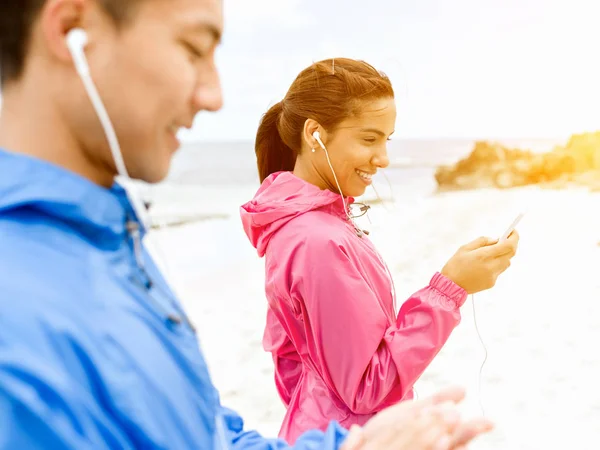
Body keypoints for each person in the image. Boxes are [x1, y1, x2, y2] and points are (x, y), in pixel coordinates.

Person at [0, 0, 493, 449]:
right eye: (193, 48)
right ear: (71, 32)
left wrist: (349, 449)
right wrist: (447, 291)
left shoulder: (113, 246)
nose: (215, 95)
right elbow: (360, 383)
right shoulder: (23, 305)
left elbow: (207, 433)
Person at [240, 58, 519, 443]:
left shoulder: (307, 225)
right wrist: (450, 289)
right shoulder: (316, 240)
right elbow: (367, 387)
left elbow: (291, 366)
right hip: (348, 439)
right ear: (314, 134)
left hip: (325, 433)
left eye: (387, 139)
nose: (384, 158)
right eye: (369, 139)